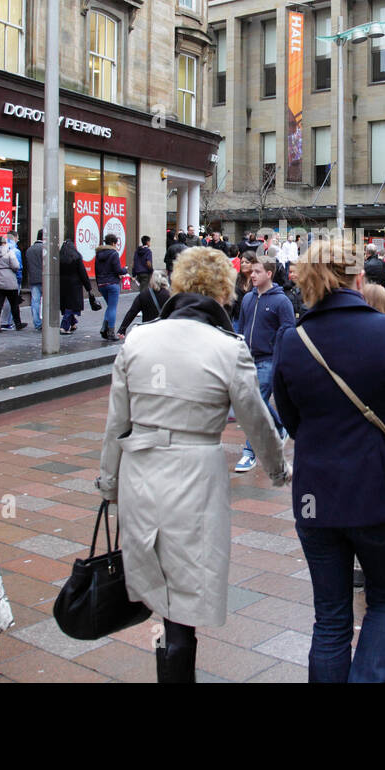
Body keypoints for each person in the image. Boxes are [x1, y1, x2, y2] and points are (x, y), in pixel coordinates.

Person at [96, 246, 289, 682]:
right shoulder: (228, 347)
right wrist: (278, 469)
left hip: (141, 472)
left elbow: (116, 422)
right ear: (224, 290)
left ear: (178, 285)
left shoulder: (140, 339)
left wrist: (109, 482)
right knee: (188, 585)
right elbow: (256, 418)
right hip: (196, 473)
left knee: (156, 577)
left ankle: (169, 655)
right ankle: (179, 660)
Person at [271, 238, 385, 683]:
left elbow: (292, 420)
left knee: (331, 617)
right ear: (358, 279)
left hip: (316, 493)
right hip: (379, 489)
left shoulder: (292, 339)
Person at [235, 256, 295, 473]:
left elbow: (288, 333)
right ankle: (280, 426)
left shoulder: (281, 301)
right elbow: (242, 329)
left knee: (255, 403)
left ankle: (250, 452)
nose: (251, 275)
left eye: (257, 271)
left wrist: (283, 360)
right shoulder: (248, 299)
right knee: (254, 402)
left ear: (269, 274)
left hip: (269, 360)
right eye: (251, 271)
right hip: (249, 358)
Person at [117, 270, 169, 337]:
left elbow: (132, 312)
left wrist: (122, 329)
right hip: (165, 330)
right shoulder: (170, 295)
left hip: (148, 330)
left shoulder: (144, 294)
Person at [58, 238, 92, 334]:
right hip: (74, 284)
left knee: (66, 304)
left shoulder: (59, 258)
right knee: (71, 306)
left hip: (62, 284)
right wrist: (88, 287)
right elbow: (82, 273)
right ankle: (64, 327)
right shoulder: (76, 257)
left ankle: (73, 324)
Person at [230, 250, 257, 327]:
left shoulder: (258, 278)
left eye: (247, 262)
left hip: (254, 319)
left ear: (254, 263)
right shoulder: (236, 278)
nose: (243, 264)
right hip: (237, 319)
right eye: (242, 262)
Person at [24, 230, 45, 330]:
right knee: (46, 302)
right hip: (45, 279)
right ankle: (45, 322)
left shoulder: (29, 250)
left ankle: (37, 323)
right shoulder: (45, 249)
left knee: (35, 301)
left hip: (33, 279)